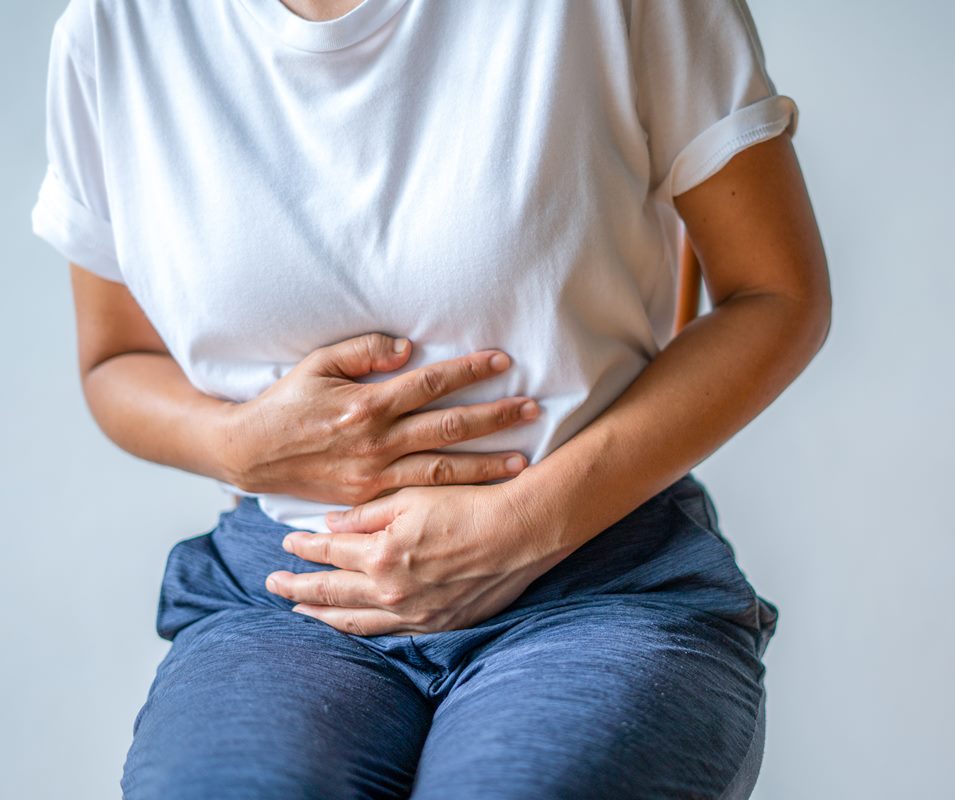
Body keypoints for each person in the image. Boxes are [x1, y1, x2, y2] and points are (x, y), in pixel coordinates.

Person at [31, 0, 831, 797]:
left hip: (596, 580)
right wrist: (237, 444)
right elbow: (117, 359)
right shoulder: (112, 31)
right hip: (290, 595)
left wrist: (522, 524)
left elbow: (775, 293)